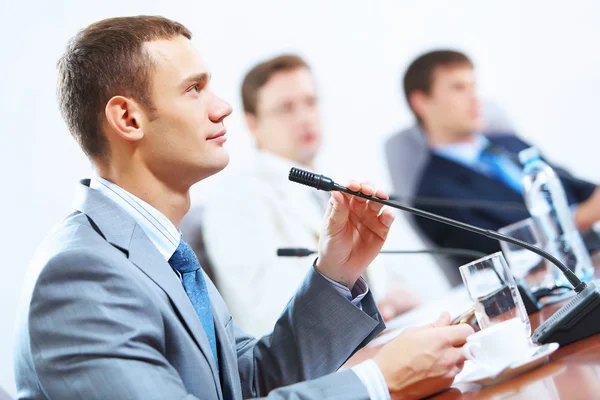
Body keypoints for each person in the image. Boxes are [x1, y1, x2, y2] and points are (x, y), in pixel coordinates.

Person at [14, 16, 473, 400]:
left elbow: (247, 379)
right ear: (128, 119)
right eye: (194, 89)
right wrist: (376, 383)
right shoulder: (80, 274)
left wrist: (334, 275)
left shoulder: (162, 250)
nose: (223, 108)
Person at [199, 54, 448, 336]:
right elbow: (266, 315)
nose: (305, 117)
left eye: (310, 102)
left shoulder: (345, 179)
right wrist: (372, 309)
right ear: (252, 124)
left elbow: (413, 271)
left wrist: (415, 301)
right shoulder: (234, 199)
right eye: (286, 108)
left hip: (400, 331)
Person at [395, 49, 600, 275]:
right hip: (560, 286)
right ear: (421, 102)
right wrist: (578, 219)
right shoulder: (432, 195)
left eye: (473, 86)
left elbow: (581, 190)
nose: (474, 98)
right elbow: (504, 257)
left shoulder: (510, 143)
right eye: (458, 88)